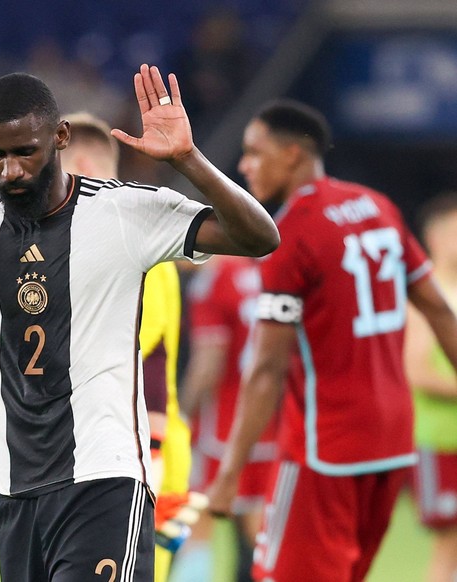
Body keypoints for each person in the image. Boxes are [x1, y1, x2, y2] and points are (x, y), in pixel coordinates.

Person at [0, 64, 279, 581]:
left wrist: (188, 160)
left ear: (60, 137)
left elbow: (259, 238)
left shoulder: (125, 212)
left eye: (25, 152)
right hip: (16, 494)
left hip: (103, 482)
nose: (11, 169)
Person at [206, 99, 457, 581]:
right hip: (393, 442)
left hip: (326, 449)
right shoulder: (378, 208)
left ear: (294, 154)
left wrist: (230, 473)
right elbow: (440, 310)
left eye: (255, 152)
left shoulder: (291, 234)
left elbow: (267, 369)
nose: (244, 165)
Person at [59, 110, 202, 581]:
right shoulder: (117, 234)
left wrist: (153, 463)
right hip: (126, 453)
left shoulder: (134, 237)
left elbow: (141, 359)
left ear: (77, 162)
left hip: (143, 454)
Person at [178, 252, 277, 582]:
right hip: (265, 425)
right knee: (262, 534)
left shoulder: (211, 282)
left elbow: (209, 363)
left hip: (221, 429)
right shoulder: (256, 274)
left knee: (196, 523)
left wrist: (182, 414)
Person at [405, 192, 457, 582]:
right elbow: (417, 370)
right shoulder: (425, 294)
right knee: (447, 548)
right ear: (435, 237)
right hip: (440, 442)